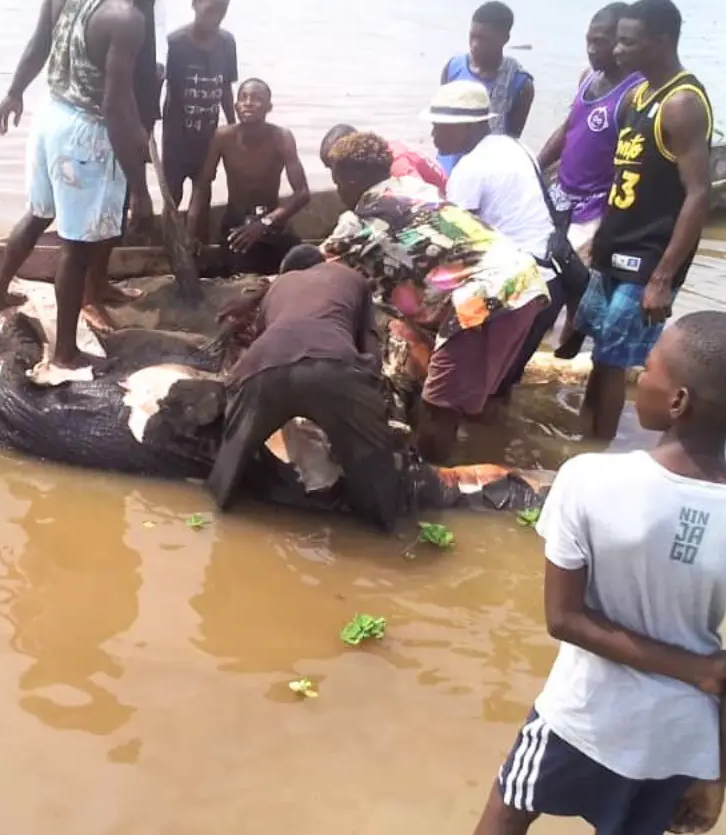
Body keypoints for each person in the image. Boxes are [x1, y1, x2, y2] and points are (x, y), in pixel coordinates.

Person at [459, 311, 726, 835]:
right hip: (675, 737)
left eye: (653, 365)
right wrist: (716, 775)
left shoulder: (589, 478)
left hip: (582, 712)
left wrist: (695, 668)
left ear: (678, 401)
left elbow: (563, 619)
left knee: (510, 809)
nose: (640, 371)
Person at [0, 0, 188, 377]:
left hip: (50, 113)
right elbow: (116, 110)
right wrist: (139, 189)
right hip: (87, 135)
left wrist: (15, 91)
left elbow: (40, 40)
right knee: (76, 248)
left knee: (38, 213)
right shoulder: (126, 17)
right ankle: (66, 353)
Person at [319, 132, 548, 464]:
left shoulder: (358, 222)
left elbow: (312, 267)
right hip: (524, 283)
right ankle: (490, 450)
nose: (338, 191)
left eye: (337, 181)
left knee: (438, 405)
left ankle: (432, 485)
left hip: (483, 298)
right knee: (474, 394)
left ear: (351, 179)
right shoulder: (417, 188)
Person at [578, 0, 713, 441]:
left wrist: (663, 276)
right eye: (616, 42)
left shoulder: (682, 103)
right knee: (600, 351)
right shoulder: (638, 93)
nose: (618, 52)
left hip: (648, 257)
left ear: (662, 41)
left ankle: (600, 448)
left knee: (616, 359)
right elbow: (624, 175)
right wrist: (600, 239)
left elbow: (698, 194)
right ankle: (582, 442)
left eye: (628, 43)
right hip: (615, 245)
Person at [206, 244, 404, 532]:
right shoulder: (351, 278)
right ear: (321, 262)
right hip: (334, 368)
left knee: (227, 472)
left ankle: (217, 519)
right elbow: (370, 351)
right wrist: (370, 410)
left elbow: (264, 343)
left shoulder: (278, 286)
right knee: (377, 484)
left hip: (262, 370)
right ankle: (386, 536)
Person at [425, 81, 561, 398]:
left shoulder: (469, 170)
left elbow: (453, 250)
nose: (433, 135)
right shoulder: (516, 147)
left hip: (514, 293)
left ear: (466, 127)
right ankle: (500, 444)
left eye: (438, 126)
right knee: (500, 388)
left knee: (468, 393)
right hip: (549, 284)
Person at [538, 3, 646, 266]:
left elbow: (632, 164)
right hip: (562, 195)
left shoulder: (636, 94)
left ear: (619, 43)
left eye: (600, 42)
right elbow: (568, 129)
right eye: (588, 41)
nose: (591, 50)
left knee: (571, 276)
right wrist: (535, 167)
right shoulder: (588, 77)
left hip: (596, 207)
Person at [190, 79, 312, 276]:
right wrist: (194, 232)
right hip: (237, 224)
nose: (248, 103)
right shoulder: (223, 136)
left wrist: (264, 223)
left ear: (268, 107)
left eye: (256, 99)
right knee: (244, 274)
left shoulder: (281, 137)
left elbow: (302, 193)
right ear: (236, 105)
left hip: (272, 223)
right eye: (243, 98)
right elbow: (203, 185)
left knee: (307, 264)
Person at [161, 0, 238, 207]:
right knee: (172, 195)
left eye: (222, 11)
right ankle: (171, 241)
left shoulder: (227, 43)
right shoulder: (174, 44)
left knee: (203, 191)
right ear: (195, 4)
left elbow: (225, 88)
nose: (216, 17)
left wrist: (233, 127)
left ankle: (197, 243)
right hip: (177, 138)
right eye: (210, 9)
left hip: (208, 138)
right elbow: (156, 88)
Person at [438, 1, 535, 174]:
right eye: (472, 36)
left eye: (483, 39)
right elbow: (440, 121)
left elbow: (509, 141)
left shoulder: (519, 85)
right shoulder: (453, 67)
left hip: (485, 171)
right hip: (446, 167)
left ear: (504, 38)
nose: (474, 44)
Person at [320, 123, 447, 202]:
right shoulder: (378, 154)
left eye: (336, 166)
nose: (335, 176)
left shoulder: (398, 166)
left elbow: (420, 200)